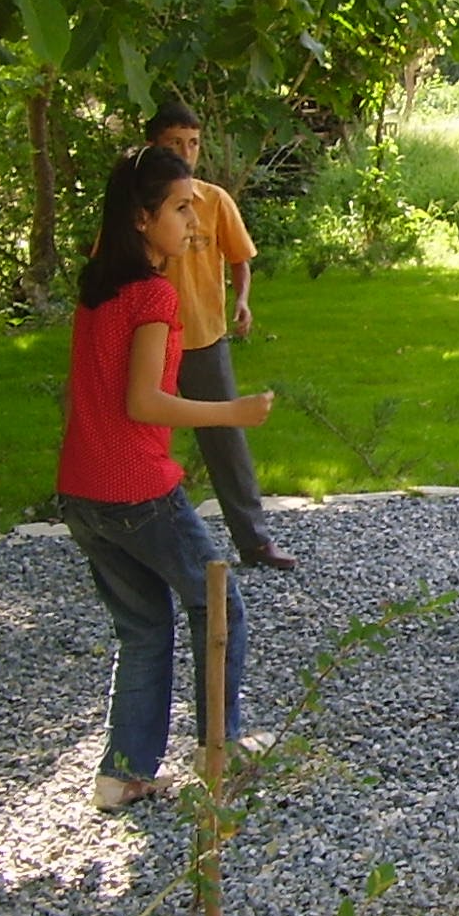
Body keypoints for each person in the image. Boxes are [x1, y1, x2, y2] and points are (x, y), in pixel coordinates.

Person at [56, 145, 275, 810]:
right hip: (137, 491)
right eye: (180, 209)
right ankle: (219, 751)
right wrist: (232, 412)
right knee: (220, 605)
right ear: (141, 218)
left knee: (144, 629)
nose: (194, 222)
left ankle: (122, 774)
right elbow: (144, 402)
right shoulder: (153, 294)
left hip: (82, 491)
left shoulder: (98, 287)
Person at [142, 104, 296, 572]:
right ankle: (140, 540)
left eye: (193, 142)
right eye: (174, 143)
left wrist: (243, 300)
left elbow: (239, 258)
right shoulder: (136, 209)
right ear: (153, 147)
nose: (186, 152)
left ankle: (254, 541)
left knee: (226, 442)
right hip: (149, 342)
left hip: (206, 337)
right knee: (145, 440)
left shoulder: (215, 200)